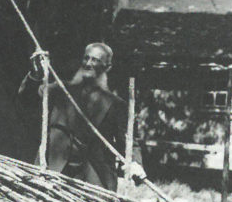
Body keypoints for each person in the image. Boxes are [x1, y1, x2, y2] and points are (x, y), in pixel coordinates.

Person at [18, 42, 141, 192]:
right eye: (86, 58)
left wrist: (135, 163)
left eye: (96, 60)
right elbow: (27, 99)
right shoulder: (59, 90)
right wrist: (36, 75)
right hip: (54, 170)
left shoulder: (116, 105)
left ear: (107, 67)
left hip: (94, 179)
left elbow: (128, 141)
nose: (89, 64)